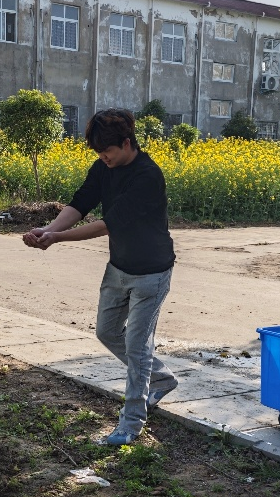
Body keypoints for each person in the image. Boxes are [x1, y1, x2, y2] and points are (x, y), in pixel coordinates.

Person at [23, 109, 177, 446]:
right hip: (119, 267)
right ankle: (162, 378)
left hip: (151, 273)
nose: (102, 159)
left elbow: (110, 223)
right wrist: (47, 230)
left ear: (126, 143)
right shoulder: (103, 167)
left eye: (106, 152)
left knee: (137, 346)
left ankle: (131, 422)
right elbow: (80, 204)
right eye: (98, 153)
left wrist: (57, 239)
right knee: (106, 332)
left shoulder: (147, 175)